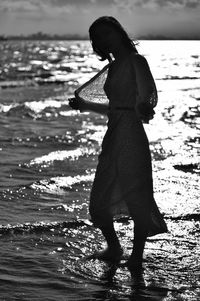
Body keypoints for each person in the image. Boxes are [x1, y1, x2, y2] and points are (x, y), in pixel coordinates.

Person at [69, 16, 167, 272]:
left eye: (106, 33)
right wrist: (85, 105)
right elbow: (114, 109)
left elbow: (148, 93)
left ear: (119, 32)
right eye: (98, 38)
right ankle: (114, 247)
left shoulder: (137, 61)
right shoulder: (113, 68)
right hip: (112, 136)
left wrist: (144, 105)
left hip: (132, 135)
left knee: (137, 196)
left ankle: (136, 257)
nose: (104, 40)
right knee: (98, 202)